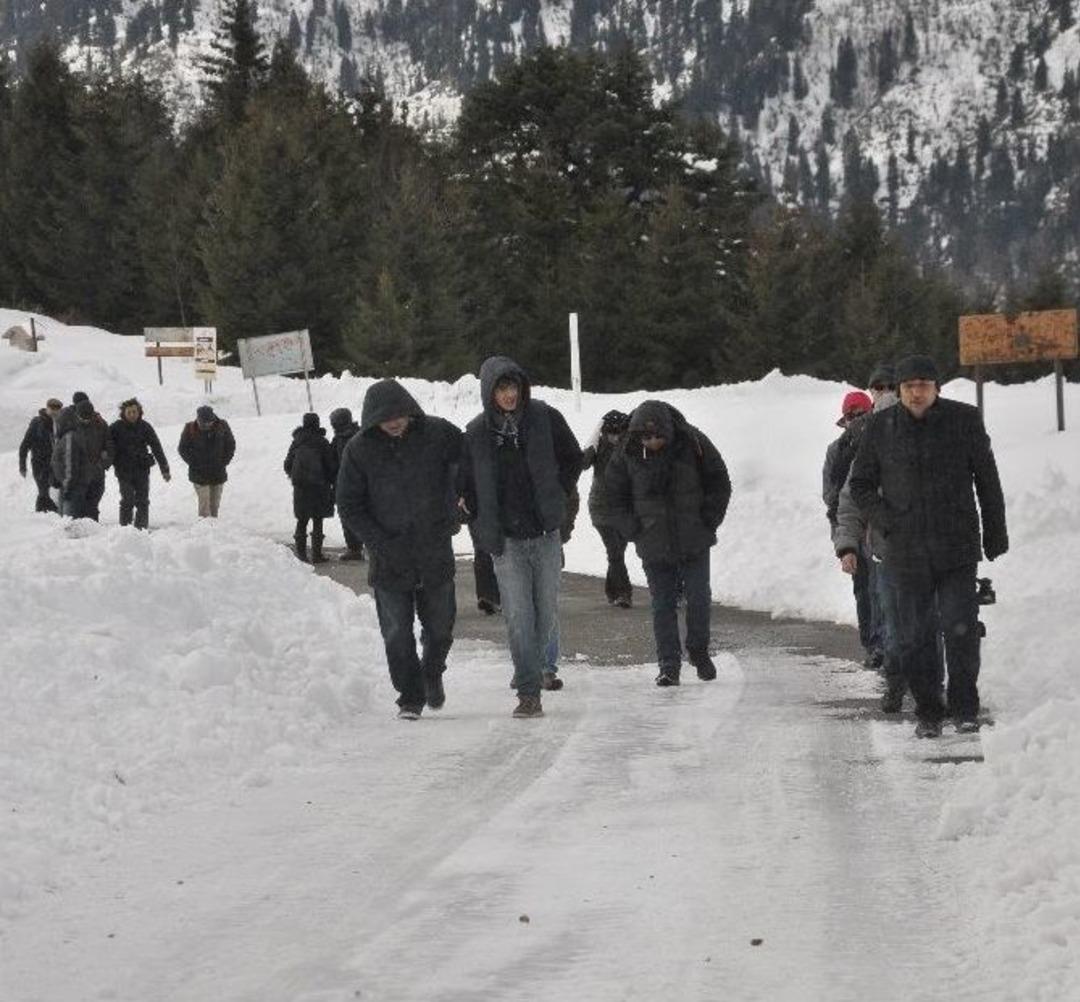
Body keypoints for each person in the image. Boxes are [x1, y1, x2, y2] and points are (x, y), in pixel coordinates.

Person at [849, 354, 1008, 738]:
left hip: (956, 546)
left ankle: (964, 706)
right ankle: (929, 711)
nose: (915, 393)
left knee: (960, 628)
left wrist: (995, 532)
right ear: (900, 390)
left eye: (923, 386)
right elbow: (860, 486)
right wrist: (887, 521)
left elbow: (987, 479)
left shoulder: (964, 421)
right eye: (908, 387)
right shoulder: (879, 427)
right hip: (905, 551)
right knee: (915, 635)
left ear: (936, 387)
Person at [458, 356, 583, 718]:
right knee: (518, 615)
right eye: (501, 388)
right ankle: (529, 692)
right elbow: (464, 482)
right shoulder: (477, 432)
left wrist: (557, 492)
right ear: (489, 392)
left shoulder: (544, 418)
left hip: (544, 534)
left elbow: (572, 457)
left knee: (545, 614)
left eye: (513, 387)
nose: (509, 395)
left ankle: (529, 668)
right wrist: (473, 511)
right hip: (507, 541)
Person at [337, 380, 464, 719]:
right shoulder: (359, 449)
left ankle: (432, 672)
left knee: (440, 628)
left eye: (398, 414)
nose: (393, 421)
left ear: (410, 410)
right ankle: (410, 695)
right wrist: (377, 542)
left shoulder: (439, 434)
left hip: (434, 549)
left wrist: (459, 508)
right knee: (396, 633)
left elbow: (470, 463)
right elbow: (349, 504)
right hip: (389, 557)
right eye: (384, 416)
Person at [606, 401, 732, 687]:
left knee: (699, 599)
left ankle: (699, 652)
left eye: (657, 436)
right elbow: (613, 496)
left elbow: (719, 481)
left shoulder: (693, 442)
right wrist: (633, 529)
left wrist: (708, 520)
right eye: (646, 438)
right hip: (653, 541)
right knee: (662, 604)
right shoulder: (626, 452)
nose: (652, 443)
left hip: (693, 538)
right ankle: (668, 665)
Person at [823, 388, 878, 667]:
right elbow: (831, 494)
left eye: (861, 414)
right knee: (864, 588)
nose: (856, 420)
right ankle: (872, 644)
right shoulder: (836, 451)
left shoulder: (880, 443)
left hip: (878, 526)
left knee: (881, 589)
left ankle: (884, 642)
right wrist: (843, 534)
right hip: (850, 524)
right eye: (851, 415)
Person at [582, 409, 633, 607]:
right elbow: (583, 463)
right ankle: (623, 593)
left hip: (624, 509)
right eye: (610, 432)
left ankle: (612, 591)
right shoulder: (597, 448)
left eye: (618, 432)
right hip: (601, 509)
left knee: (618, 550)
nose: (614, 437)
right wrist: (595, 436)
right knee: (615, 551)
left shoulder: (630, 448)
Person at [284, 412, 338, 564]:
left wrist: (295, 477)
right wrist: (329, 480)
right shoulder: (322, 442)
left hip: (301, 487)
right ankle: (317, 555)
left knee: (302, 520)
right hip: (319, 487)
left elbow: (287, 464)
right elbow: (331, 466)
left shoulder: (297, 442)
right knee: (318, 519)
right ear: (317, 423)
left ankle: (301, 555)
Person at [110, 398, 170, 529]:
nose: (132, 415)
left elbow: (156, 447)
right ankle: (125, 529)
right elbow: (107, 446)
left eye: (134, 412)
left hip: (141, 469)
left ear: (139, 412)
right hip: (123, 470)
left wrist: (164, 469)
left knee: (143, 501)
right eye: (129, 412)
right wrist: (106, 462)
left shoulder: (145, 427)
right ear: (123, 413)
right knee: (127, 499)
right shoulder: (116, 427)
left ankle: (141, 528)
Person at [178, 405, 235, 518]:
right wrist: (194, 463)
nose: (206, 426)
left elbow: (230, 445)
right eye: (203, 423)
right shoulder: (190, 428)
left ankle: (212, 531)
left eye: (209, 423)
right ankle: (203, 530)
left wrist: (223, 462)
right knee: (204, 505)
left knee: (214, 506)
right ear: (198, 419)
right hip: (199, 474)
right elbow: (182, 448)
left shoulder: (222, 426)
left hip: (217, 473)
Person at [71, 391, 114, 522]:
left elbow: (110, 445)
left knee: (93, 504)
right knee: (78, 507)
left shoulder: (101, 424)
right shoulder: (70, 424)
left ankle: (93, 533)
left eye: (88, 417)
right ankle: (80, 536)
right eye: (83, 418)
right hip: (78, 474)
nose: (86, 420)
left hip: (96, 472)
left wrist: (104, 463)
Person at [329, 408, 365, 561]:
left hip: (345, 485)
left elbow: (333, 465)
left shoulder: (339, 440)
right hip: (365, 484)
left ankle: (355, 549)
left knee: (348, 517)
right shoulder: (361, 434)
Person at [50, 401, 97, 518]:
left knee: (69, 522)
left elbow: (71, 463)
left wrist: (68, 486)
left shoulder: (70, 437)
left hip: (73, 487)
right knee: (65, 521)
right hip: (70, 485)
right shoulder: (68, 436)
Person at [18, 398, 62, 512]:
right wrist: (22, 466)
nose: (54, 411)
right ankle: (49, 513)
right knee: (43, 490)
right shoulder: (37, 423)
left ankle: (45, 514)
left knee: (52, 489)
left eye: (57, 409)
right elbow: (25, 445)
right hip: (39, 463)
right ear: (47, 408)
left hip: (55, 464)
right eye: (52, 408)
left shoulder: (61, 423)